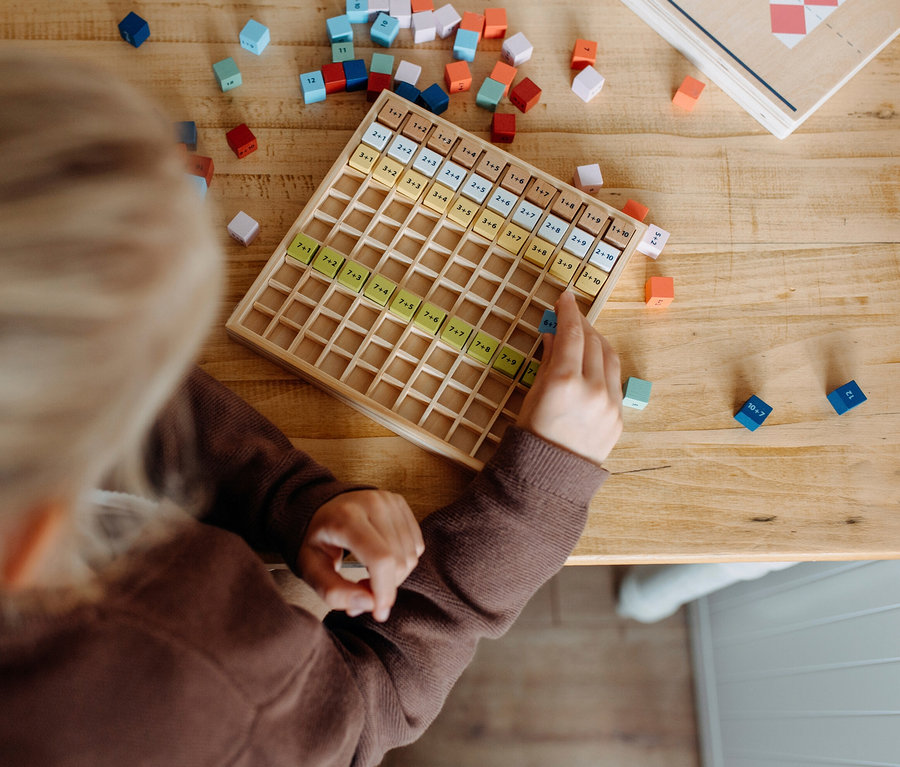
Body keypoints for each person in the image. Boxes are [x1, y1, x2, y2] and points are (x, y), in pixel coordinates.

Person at [0, 51, 623, 766]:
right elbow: (380, 693)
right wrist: (537, 498)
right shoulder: (213, 699)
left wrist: (292, 501)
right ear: (34, 535)